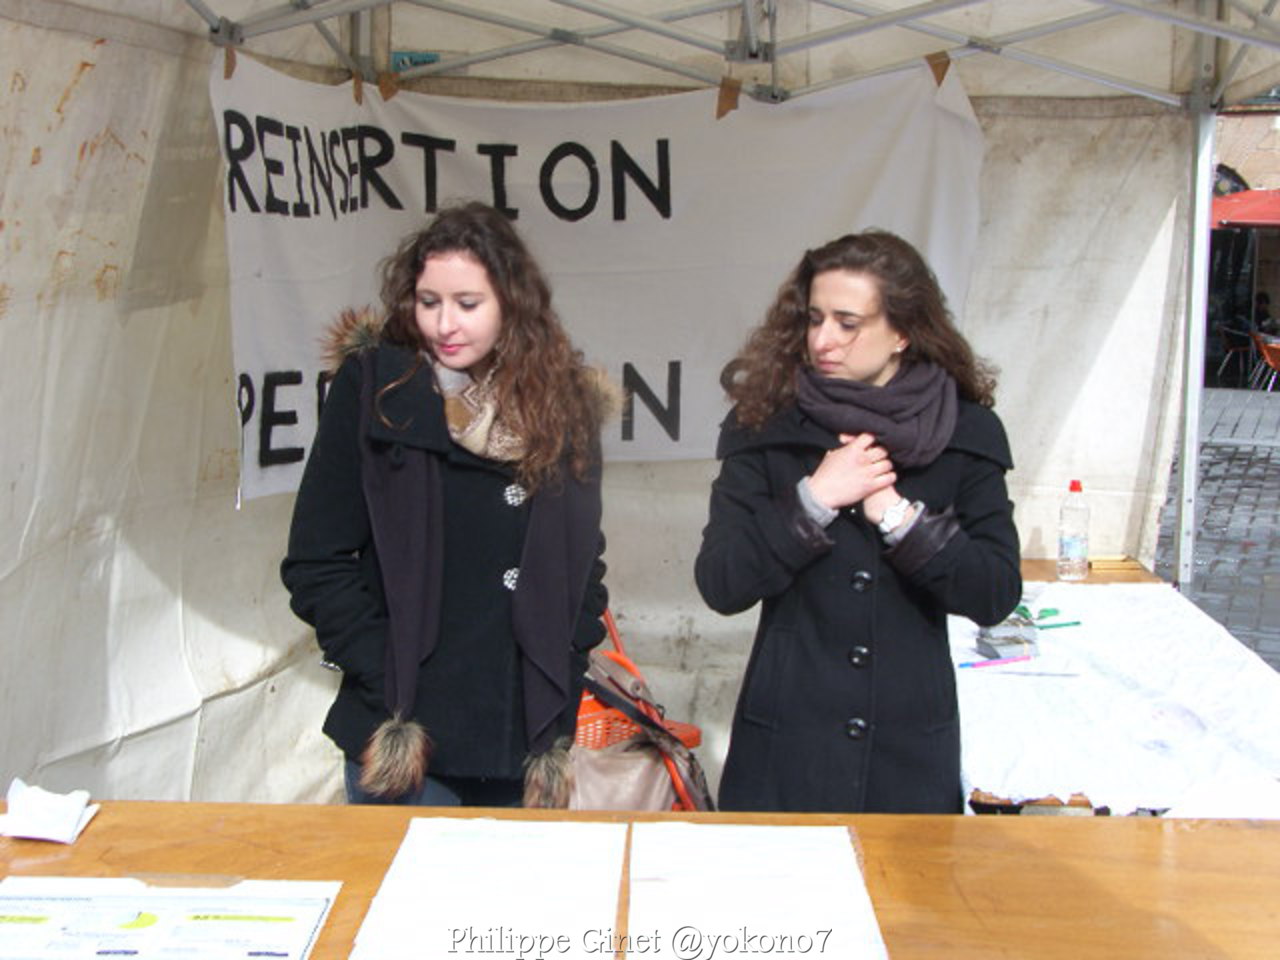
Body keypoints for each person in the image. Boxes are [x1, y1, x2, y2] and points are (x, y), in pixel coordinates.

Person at [282, 201, 610, 807]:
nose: (444, 324)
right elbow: (315, 560)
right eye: (428, 302)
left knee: (508, 904)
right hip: (407, 730)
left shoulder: (564, 406)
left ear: (512, 304)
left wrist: (562, 671)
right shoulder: (377, 390)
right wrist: (389, 673)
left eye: (467, 304)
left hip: (522, 730)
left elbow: (582, 566)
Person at [694, 229, 1022, 814]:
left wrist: (902, 520)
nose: (824, 340)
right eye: (815, 319)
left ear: (901, 331)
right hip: (787, 751)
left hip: (908, 755)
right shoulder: (764, 426)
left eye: (848, 323)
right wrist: (812, 500)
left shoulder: (967, 435)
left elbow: (995, 592)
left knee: (905, 905)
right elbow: (721, 583)